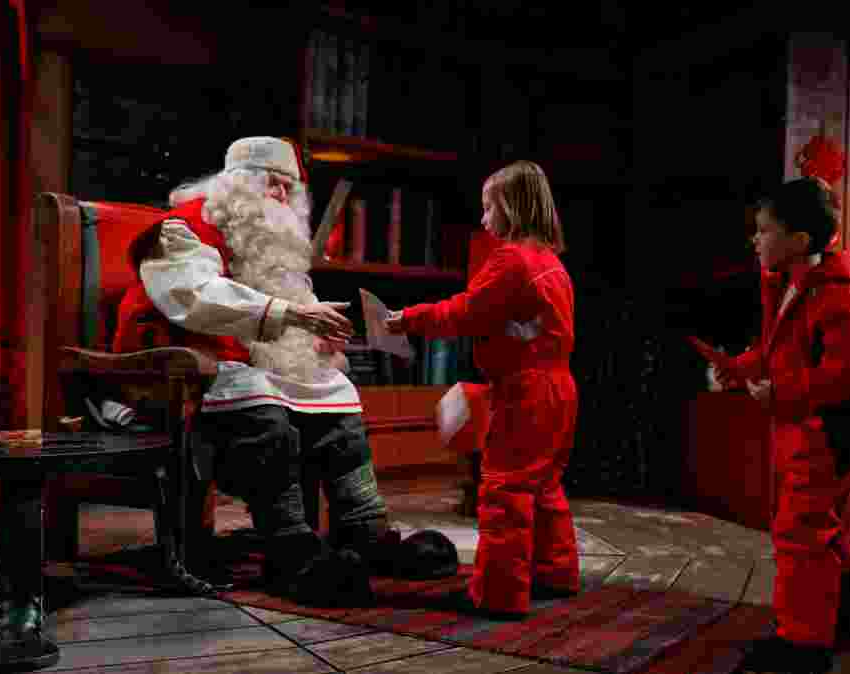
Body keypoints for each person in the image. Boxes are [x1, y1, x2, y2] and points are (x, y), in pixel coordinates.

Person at [113, 136, 456, 606]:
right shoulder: (182, 230)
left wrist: (318, 337)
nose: (278, 196)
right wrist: (292, 315)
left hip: (238, 365)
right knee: (260, 399)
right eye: (268, 184)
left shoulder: (270, 248)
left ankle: (365, 532)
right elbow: (194, 298)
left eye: (287, 188)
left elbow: (291, 313)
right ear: (233, 185)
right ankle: (289, 546)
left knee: (333, 385)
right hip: (172, 367)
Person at [714, 178, 850, 673]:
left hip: (826, 431)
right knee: (815, 527)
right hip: (801, 427)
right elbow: (778, 352)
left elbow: (845, 375)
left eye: (764, 230)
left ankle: (803, 645)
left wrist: (780, 393)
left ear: (799, 239)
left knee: (799, 533)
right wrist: (740, 368)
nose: (755, 240)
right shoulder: (792, 283)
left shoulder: (841, 295)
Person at [385, 160, 580, 619]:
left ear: (510, 207)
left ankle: (497, 594)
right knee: (545, 484)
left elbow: (466, 313)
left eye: (489, 207)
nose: (484, 218)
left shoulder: (511, 259)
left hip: (526, 390)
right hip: (560, 388)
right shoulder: (552, 263)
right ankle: (555, 572)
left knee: (504, 491)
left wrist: (408, 319)